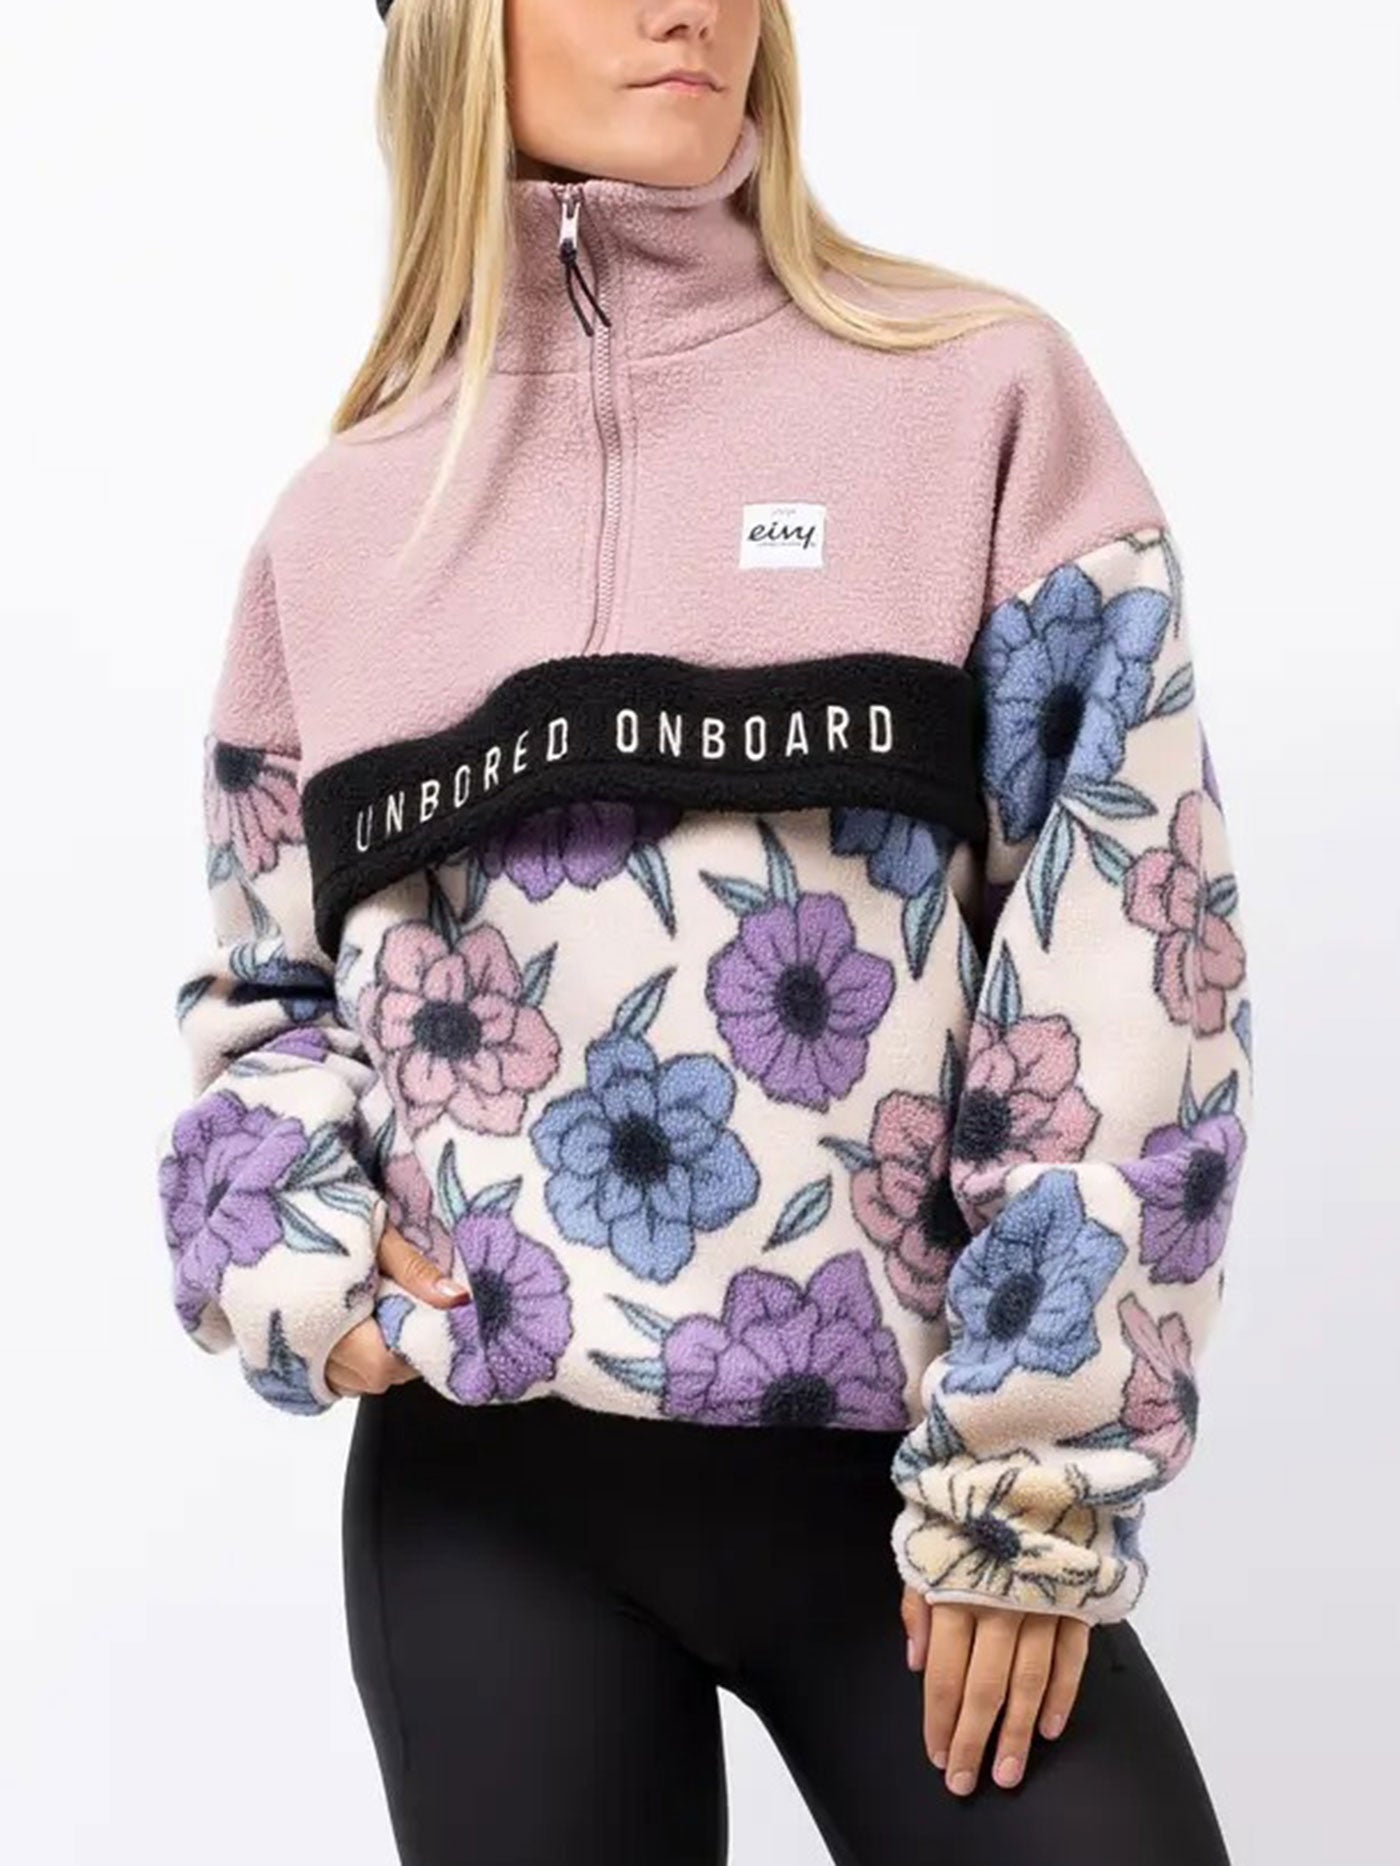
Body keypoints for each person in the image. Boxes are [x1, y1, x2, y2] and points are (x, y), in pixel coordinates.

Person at [153, 2, 1254, 1861]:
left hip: (910, 1493)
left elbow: (1134, 955)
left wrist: (1030, 1486)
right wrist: (290, 1247)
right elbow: (267, 999)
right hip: (487, 1506)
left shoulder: (977, 401)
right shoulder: (336, 532)